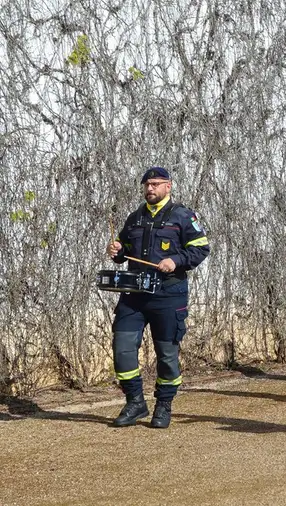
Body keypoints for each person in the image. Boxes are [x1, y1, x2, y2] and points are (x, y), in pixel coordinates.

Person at [105, 167, 210, 429]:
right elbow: (124, 250)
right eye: (146, 185)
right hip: (134, 295)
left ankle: (164, 405)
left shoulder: (184, 216)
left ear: (168, 187)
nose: (149, 189)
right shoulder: (135, 217)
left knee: (166, 354)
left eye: (155, 184)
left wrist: (175, 261)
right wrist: (117, 251)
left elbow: (201, 249)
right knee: (123, 349)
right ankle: (135, 402)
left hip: (168, 295)